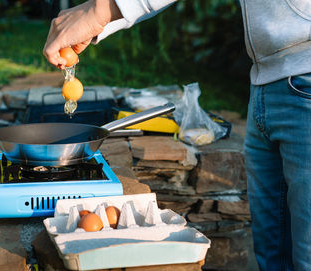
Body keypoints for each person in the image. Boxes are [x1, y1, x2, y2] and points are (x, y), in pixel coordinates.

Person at [43, 1, 311, 270]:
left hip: (304, 79)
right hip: (266, 83)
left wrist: (100, 9)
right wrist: (103, 20)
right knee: (273, 256)